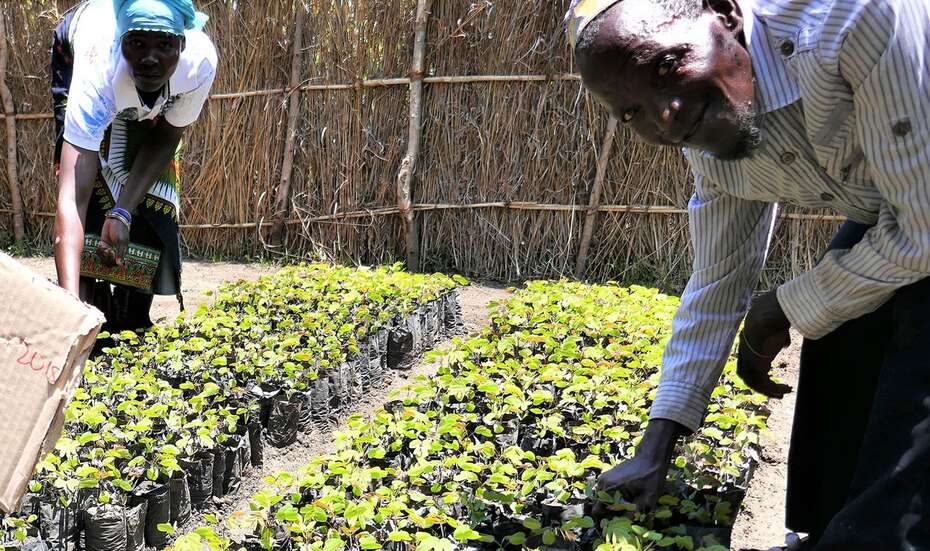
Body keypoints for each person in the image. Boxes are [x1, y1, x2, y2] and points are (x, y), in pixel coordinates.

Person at [566, 0, 930, 549]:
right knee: (844, 335)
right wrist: (657, 445)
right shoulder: (707, 141)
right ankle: (825, 526)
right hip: (905, 213)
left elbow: (923, 232)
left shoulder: (854, 23)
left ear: (724, 12)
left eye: (668, 65)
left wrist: (782, 306)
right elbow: (717, 282)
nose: (665, 116)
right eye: (631, 112)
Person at [52, 0, 217, 338]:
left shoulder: (198, 64)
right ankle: (86, 299)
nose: (150, 58)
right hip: (77, 51)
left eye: (165, 45)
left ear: (181, 45)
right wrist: (66, 310)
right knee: (96, 174)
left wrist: (123, 212)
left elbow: (167, 135)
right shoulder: (97, 74)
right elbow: (72, 196)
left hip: (141, 98)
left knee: (154, 185)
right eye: (137, 43)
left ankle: (132, 306)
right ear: (120, 42)